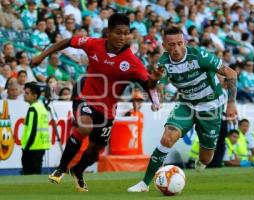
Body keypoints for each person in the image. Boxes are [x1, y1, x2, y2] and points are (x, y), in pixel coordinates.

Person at [31, 13, 162, 192]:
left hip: (107, 111)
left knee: (94, 152)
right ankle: (61, 168)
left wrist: (154, 88)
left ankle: (77, 170)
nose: (122, 37)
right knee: (85, 127)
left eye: (126, 33)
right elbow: (67, 41)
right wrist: (41, 56)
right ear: (108, 32)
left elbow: (149, 84)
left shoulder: (132, 61)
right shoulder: (93, 44)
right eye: (118, 33)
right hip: (84, 98)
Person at [128, 26, 237, 192]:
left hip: (211, 108)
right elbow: (153, 85)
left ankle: (202, 162)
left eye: (179, 43)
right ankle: (144, 183)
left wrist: (231, 103)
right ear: (164, 45)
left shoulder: (199, 55)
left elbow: (231, 73)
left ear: (185, 42)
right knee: (167, 139)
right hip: (186, 105)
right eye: (171, 45)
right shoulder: (163, 63)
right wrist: (154, 81)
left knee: (206, 158)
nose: (176, 48)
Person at [21, 82, 50, 175]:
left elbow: (33, 130)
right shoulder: (42, 108)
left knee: (28, 175)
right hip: (41, 146)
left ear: (34, 96)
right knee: (37, 174)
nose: (24, 95)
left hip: (32, 148)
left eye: (27, 93)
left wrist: (26, 148)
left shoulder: (33, 109)